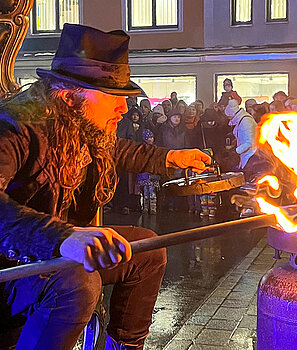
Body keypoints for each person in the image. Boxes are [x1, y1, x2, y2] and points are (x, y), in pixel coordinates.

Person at [0, 24, 211, 350]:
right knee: (76, 282)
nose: (124, 108)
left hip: (55, 249)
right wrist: (63, 237)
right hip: (13, 266)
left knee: (148, 250)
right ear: (70, 95)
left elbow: (116, 149)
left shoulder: (75, 119)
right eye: (113, 97)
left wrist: (170, 157)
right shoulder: (14, 125)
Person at [137, 129, 160, 215]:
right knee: (145, 192)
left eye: (151, 137)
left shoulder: (155, 149)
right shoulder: (142, 149)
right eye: (148, 138)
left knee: (152, 191)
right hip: (144, 174)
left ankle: (153, 208)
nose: (150, 139)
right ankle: (145, 208)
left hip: (153, 173)